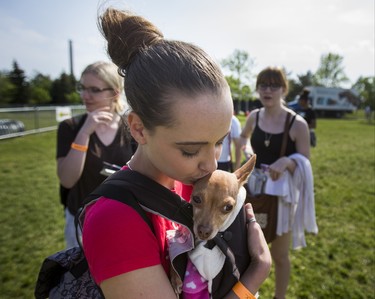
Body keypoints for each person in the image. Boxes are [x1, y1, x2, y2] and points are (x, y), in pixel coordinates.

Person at [81, 8, 271, 299]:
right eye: (190, 149)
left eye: (218, 141)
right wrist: (255, 276)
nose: (211, 163)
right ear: (139, 129)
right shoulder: (115, 220)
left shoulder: (195, 185)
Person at [239, 67, 318, 299]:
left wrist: (287, 161)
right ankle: (250, 294)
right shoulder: (254, 116)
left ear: (284, 90)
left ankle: (279, 296)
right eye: (263, 85)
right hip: (255, 194)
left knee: (280, 254)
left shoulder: (297, 124)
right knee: (251, 249)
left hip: (283, 200)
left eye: (274, 86)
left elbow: (305, 159)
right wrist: (248, 152)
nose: (267, 90)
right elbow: (244, 138)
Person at [56, 61, 135, 249]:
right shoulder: (70, 127)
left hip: (121, 218)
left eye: (94, 90)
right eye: (82, 88)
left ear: (114, 92)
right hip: (81, 220)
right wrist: (84, 133)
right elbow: (67, 180)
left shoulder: (131, 127)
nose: (85, 96)